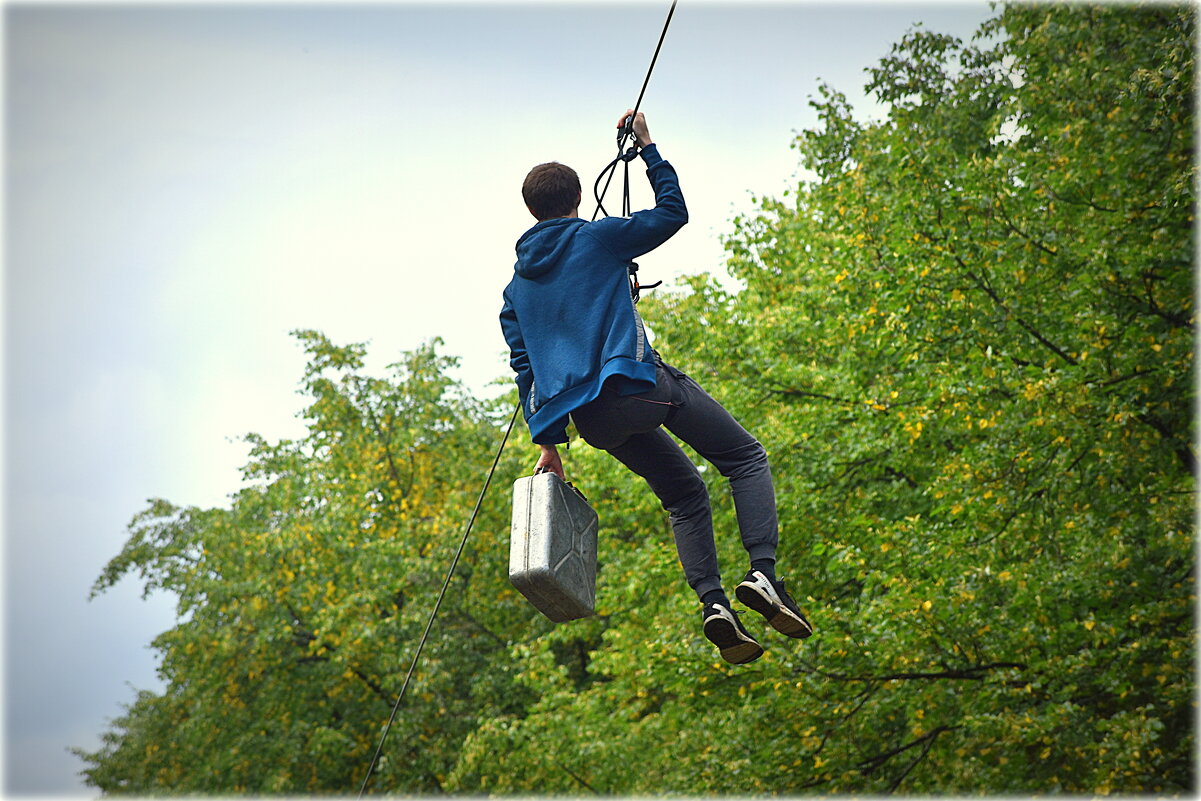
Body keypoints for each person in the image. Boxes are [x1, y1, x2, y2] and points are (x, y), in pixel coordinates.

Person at [499, 109, 812, 664]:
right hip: (640, 388)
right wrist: (647, 147)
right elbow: (674, 213)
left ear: (531, 210)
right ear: (574, 201)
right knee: (744, 457)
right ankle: (763, 573)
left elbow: (526, 370)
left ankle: (714, 604)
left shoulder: (516, 291)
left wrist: (548, 444)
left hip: (593, 424)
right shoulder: (597, 238)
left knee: (684, 494)